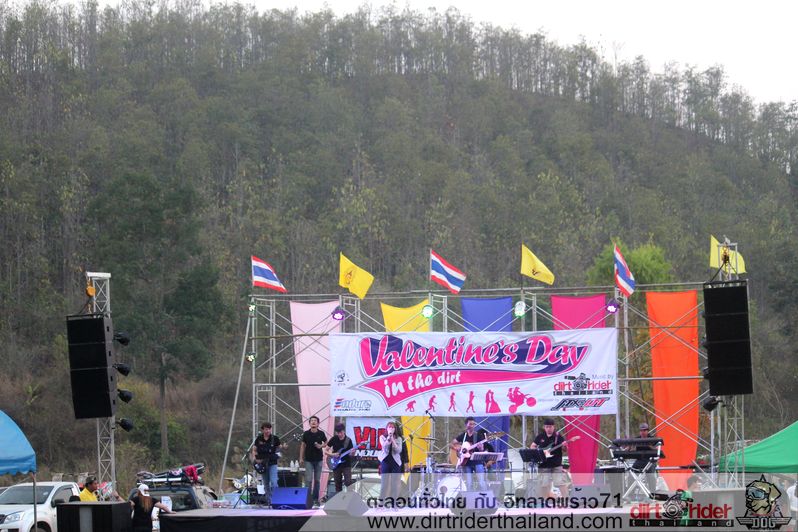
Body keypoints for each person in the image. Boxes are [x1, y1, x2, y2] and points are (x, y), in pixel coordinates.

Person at [530, 418, 569, 500]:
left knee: (560, 483)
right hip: (543, 465)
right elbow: (533, 446)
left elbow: (565, 450)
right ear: (544, 427)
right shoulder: (540, 436)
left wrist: (564, 446)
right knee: (544, 484)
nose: (548, 428)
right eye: (547, 427)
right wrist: (538, 453)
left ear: (553, 427)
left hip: (556, 464)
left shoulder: (558, 436)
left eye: (550, 427)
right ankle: (544, 501)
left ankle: (567, 500)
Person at [451, 417, 492, 491]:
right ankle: (470, 497)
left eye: (473, 424)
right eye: (470, 424)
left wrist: (481, 448)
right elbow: (452, 443)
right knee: (469, 484)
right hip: (466, 462)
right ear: (466, 425)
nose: (472, 426)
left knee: (481, 482)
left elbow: (482, 450)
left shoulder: (478, 436)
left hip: (477, 461)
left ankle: (485, 496)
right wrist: (457, 448)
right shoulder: (463, 435)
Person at [250, 422, 284, 501]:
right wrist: (255, 459)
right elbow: (254, 450)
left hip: (272, 462)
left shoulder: (275, 438)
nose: (268, 431)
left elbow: (279, 448)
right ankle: (269, 500)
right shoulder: (259, 438)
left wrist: (283, 447)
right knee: (266, 483)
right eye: (266, 429)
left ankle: (276, 500)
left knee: (274, 482)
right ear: (262, 430)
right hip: (262, 463)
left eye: (269, 429)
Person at [298, 415, 327, 507]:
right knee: (308, 480)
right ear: (309, 423)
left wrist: (321, 446)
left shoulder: (321, 433)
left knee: (317, 480)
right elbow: (303, 446)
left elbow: (326, 443)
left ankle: (315, 499)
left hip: (319, 459)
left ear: (318, 423)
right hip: (308, 460)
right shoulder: (306, 434)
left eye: (315, 421)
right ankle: (308, 499)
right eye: (312, 421)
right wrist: (301, 458)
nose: (313, 422)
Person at [325, 423, 355, 496]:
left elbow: (351, 454)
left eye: (341, 432)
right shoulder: (334, 439)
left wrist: (353, 452)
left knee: (348, 482)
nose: (339, 434)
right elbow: (326, 451)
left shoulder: (348, 440)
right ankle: (339, 498)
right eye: (338, 433)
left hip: (346, 464)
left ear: (344, 431)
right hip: (336, 464)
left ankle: (349, 497)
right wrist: (333, 454)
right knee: (337, 482)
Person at [378, 420, 404, 505]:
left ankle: (394, 503)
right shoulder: (382, 437)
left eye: (392, 427)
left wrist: (393, 440)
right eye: (389, 427)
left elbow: (398, 450)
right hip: (385, 462)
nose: (391, 428)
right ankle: (381, 503)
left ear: (395, 429)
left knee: (394, 484)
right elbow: (384, 447)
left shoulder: (399, 438)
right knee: (384, 484)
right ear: (387, 428)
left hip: (395, 463)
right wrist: (388, 438)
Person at [633, 423, 661, 494]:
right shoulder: (637, 439)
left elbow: (657, 449)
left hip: (650, 460)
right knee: (632, 472)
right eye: (641, 430)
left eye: (644, 430)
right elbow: (630, 448)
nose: (642, 432)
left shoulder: (652, 439)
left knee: (650, 474)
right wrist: (629, 447)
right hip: (639, 460)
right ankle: (630, 493)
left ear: (647, 431)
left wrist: (649, 445)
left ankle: (652, 493)